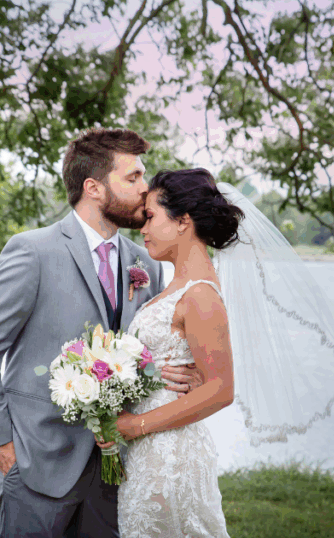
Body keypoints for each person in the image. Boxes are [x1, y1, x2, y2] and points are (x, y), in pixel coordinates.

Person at [0, 128, 202, 537]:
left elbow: (147, 352)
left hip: (115, 468)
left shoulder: (145, 264)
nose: (145, 189)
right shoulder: (33, 251)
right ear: (93, 187)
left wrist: (180, 373)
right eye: (133, 177)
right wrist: (1, 444)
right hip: (35, 460)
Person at [98, 169, 242, 537]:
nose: (143, 229)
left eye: (150, 217)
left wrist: (134, 425)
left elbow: (222, 389)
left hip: (171, 457)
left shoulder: (201, 295)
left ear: (182, 221)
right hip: (148, 454)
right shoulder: (174, 288)